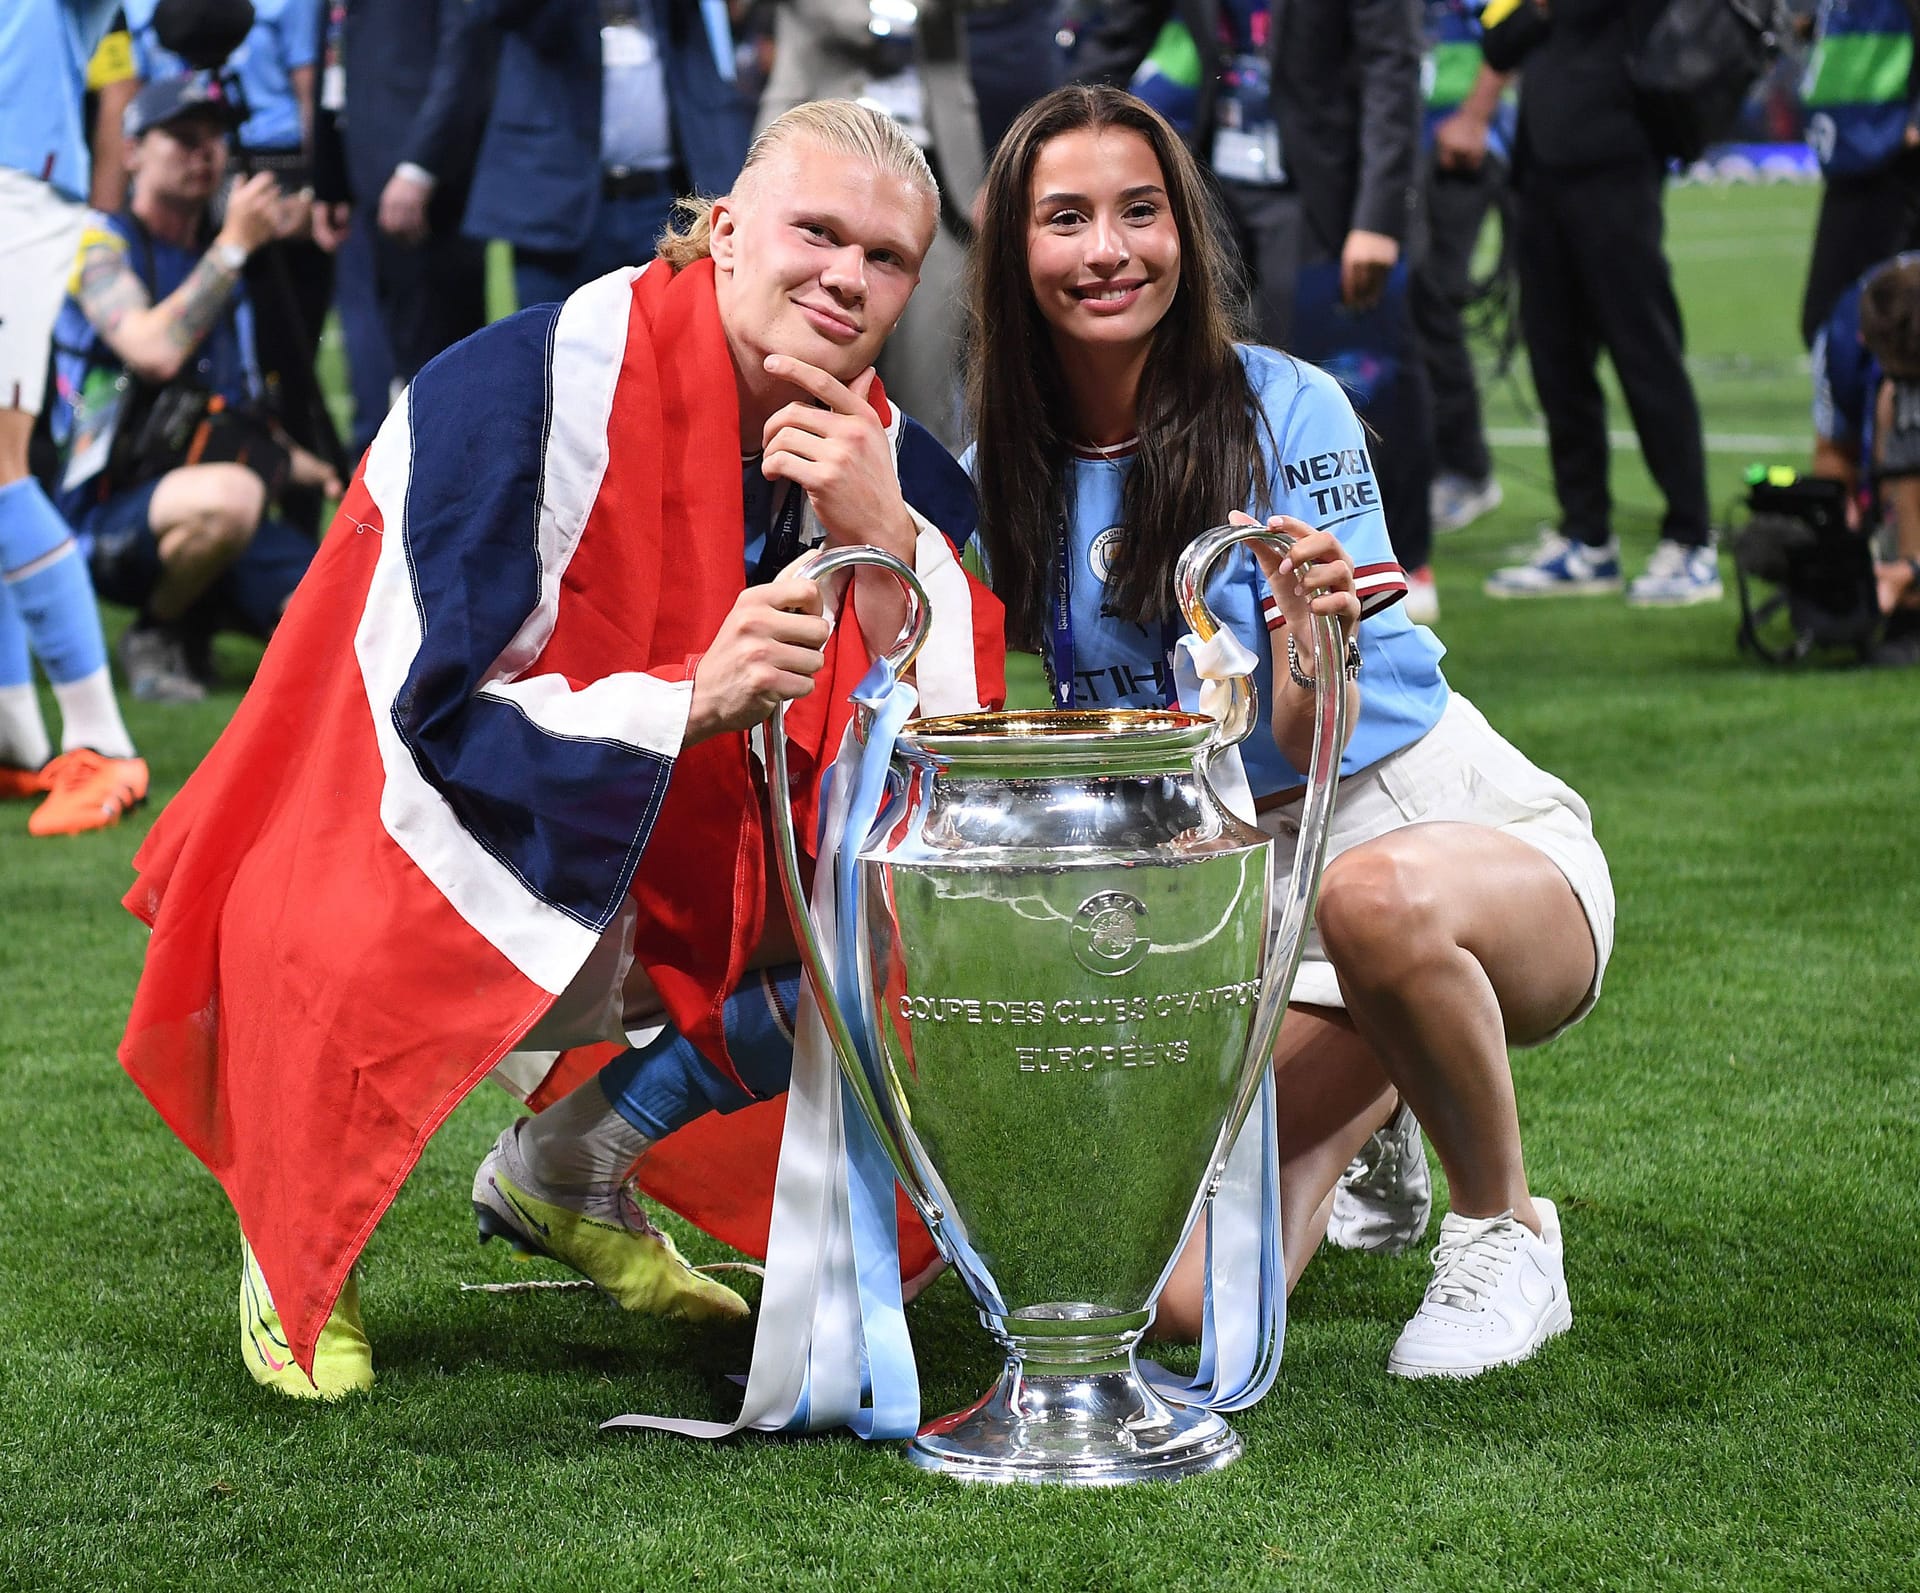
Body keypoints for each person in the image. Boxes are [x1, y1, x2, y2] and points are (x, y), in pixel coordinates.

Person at [117, 100, 1005, 1399]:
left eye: (885, 261)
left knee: (879, 910)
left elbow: (960, 788)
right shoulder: (523, 392)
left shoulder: (895, 462)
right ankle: (294, 1223)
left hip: (638, 872)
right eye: (818, 233)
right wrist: (684, 700)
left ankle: (567, 1169)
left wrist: (891, 557)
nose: (847, 278)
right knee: (337, 917)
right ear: (724, 232)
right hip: (392, 843)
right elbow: (420, 723)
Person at [965, 84, 1614, 1377]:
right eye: (1068, 218)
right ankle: (1388, 1080)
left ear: (1187, 233)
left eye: (1142, 212)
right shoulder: (1014, 457)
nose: (1109, 249)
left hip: (1427, 828)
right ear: (1013, 253)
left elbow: (1323, 737)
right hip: (1245, 894)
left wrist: (1313, 637)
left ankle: (1506, 1229)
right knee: (1189, 1303)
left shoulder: (1289, 404)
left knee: (1375, 903)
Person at [1072, 0, 1439, 619]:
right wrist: (1048, 144)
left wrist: (1377, 217)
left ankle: (1401, 555)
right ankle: (1227, 558)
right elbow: (1115, 39)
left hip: (1328, 191)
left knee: (1352, 377)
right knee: (1206, 375)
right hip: (1222, 186)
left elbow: (1392, 71)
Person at [51, 74, 336, 704]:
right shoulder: (99, 246)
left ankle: (211, 612)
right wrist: (234, 246)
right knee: (233, 497)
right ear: (131, 152)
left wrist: (312, 469)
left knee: (338, 614)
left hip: (212, 499)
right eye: (181, 138)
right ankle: (156, 630)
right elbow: (154, 351)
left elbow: (226, 412)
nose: (203, 153)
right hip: (108, 516)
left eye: (214, 140)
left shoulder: (221, 260)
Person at [1480, 0, 1720, 607]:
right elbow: (1498, 41)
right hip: (1540, 170)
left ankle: (1691, 540)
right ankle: (1586, 537)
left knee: (1645, 353)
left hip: (1617, 163)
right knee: (1556, 361)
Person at [0, 0, 150, 837]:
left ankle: (101, 739)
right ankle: (14, 731)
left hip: (18, 182)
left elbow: (117, 65)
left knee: (1, 464)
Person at [753, 0, 989, 448]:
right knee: (790, 382)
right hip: (813, 176)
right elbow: (846, 20)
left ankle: (919, 516)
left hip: (935, 182)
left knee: (930, 388)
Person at [455, 0, 757, 312]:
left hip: (665, 201)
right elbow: (489, 10)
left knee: (671, 345)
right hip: (556, 202)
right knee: (550, 345)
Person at [309, 0, 492, 401]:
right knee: (384, 357)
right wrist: (330, 177)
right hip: (362, 181)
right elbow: (336, 49)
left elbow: (465, 55)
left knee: (443, 366)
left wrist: (419, 168)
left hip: (427, 190)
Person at [1415, 3, 1510, 538]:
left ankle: (1467, 468)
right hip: (1402, 140)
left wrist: (1476, 115)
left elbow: (1516, 22)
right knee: (1405, 304)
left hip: (1454, 142)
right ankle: (1435, 462)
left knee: (1432, 299)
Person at [1811, 252, 1920, 661]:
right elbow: (1832, 450)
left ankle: (1910, 613)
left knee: (1904, 420)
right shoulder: (1840, 338)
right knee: (1769, 544)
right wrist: (1840, 520)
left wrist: (1911, 573)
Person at [1798, 0, 1920, 350]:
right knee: (1885, 318)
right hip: (1861, 145)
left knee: (1865, 318)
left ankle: (1879, 402)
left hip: (1887, 152)